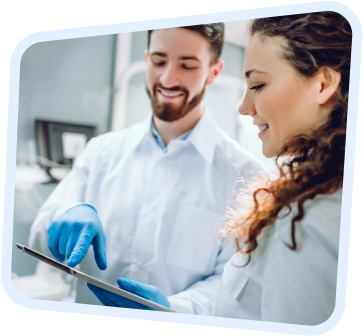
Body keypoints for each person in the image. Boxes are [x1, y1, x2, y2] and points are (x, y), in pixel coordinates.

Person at [87, 12, 352, 326]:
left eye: (258, 85)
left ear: (322, 85)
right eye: (159, 61)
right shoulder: (297, 196)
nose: (243, 107)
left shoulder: (309, 219)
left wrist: (174, 309)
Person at [29, 24, 263, 314]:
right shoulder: (101, 152)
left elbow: (234, 283)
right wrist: (61, 217)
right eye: (158, 61)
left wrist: (174, 307)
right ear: (146, 59)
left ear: (214, 71)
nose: (167, 78)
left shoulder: (246, 176)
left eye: (187, 65)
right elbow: (38, 236)